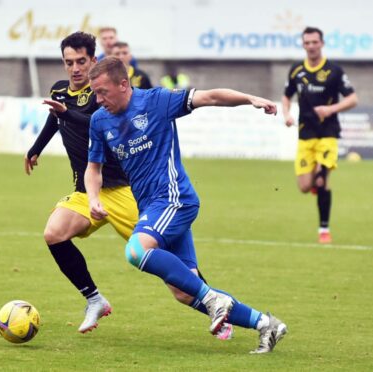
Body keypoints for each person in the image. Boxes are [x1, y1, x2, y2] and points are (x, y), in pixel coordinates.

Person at [24, 32, 230, 337]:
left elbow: (91, 120)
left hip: (125, 191)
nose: (75, 68)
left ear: (94, 61)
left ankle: (216, 307)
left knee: (178, 279)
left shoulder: (103, 96)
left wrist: (69, 114)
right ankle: (94, 299)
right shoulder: (60, 91)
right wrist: (36, 148)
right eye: (69, 63)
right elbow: (57, 120)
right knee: (53, 233)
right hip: (88, 192)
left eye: (81, 61)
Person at [85, 57, 287, 354]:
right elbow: (93, 168)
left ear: (124, 84)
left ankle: (216, 299)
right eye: (95, 93)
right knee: (183, 290)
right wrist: (93, 199)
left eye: (103, 92)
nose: (99, 100)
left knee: (136, 250)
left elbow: (210, 97)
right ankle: (266, 324)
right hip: (152, 206)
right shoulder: (99, 120)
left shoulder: (156, 102)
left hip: (174, 198)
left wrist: (249, 99)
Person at [282, 27, 358, 244]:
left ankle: (323, 229)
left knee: (322, 179)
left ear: (322, 43)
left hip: (328, 132)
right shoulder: (296, 70)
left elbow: (352, 99)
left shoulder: (334, 71)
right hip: (306, 133)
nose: (311, 46)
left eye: (315, 42)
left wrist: (331, 109)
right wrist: (287, 115)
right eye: (307, 43)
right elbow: (286, 96)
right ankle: (316, 180)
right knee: (305, 186)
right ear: (303, 45)